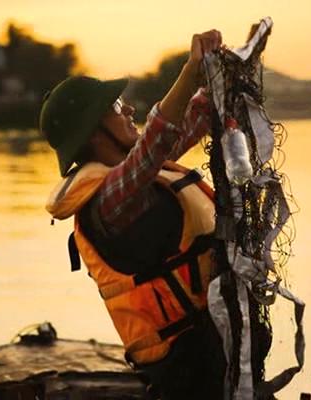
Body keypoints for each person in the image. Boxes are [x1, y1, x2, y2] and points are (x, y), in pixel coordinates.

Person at [41, 30, 227, 399]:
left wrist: (221, 72)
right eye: (115, 106)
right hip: (188, 374)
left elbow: (187, 123)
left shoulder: (139, 174)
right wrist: (188, 72)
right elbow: (156, 141)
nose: (127, 110)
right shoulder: (108, 202)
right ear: (93, 133)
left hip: (217, 352)